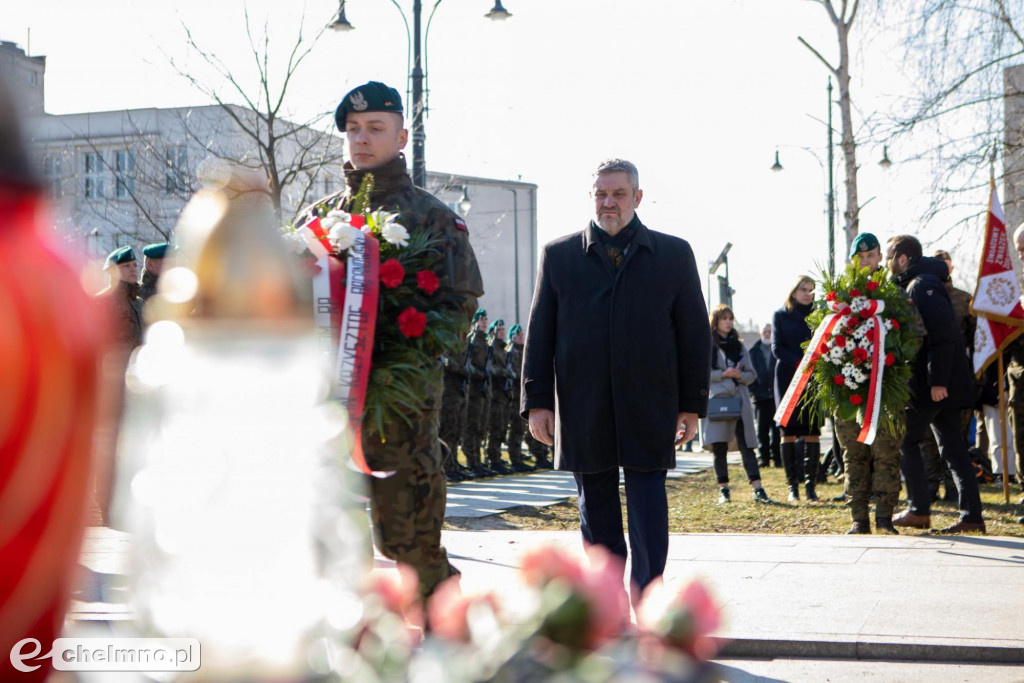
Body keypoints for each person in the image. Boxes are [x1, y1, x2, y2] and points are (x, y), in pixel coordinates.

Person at [301, 81, 484, 600]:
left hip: (399, 406)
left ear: (402, 136)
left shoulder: (434, 218)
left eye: (375, 128)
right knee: (332, 541)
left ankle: (445, 638)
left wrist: (401, 355)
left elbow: (460, 306)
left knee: (409, 541)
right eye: (352, 130)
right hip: (325, 409)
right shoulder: (316, 220)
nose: (361, 139)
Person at [521, 158, 711, 602]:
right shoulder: (560, 256)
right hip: (583, 403)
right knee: (596, 510)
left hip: (650, 403)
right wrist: (537, 402)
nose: (608, 202)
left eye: (619, 194)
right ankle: (606, 605)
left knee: (648, 506)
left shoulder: (674, 255)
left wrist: (692, 405)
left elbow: (693, 335)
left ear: (638, 198)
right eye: (601, 194)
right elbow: (541, 332)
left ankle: (648, 601)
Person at [886, 235, 985, 534]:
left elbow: (942, 336)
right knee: (954, 449)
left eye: (890, 255)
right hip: (941, 381)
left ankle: (918, 510)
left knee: (907, 440)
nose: (888, 262)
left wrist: (937, 382)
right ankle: (971, 517)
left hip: (936, 384)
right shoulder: (924, 281)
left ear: (902, 258)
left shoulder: (923, 285)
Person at [831, 233, 907, 534]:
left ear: (879, 258)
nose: (866, 261)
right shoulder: (839, 297)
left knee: (886, 454)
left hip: (885, 391)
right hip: (848, 391)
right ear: (853, 260)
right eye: (860, 257)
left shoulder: (894, 294)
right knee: (854, 456)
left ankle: (885, 517)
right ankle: (859, 518)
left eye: (872, 255)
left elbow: (912, 338)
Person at [701, 305, 770, 504]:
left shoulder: (739, 346)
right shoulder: (707, 345)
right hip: (718, 400)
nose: (728, 322)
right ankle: (723, 489)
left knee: (746, 444)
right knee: (719, 445)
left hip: (739, 401)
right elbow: (701, 374)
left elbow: (751, 374)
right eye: (724, 318)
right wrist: (723, 374)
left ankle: (758, 488)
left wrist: (739, 374)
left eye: (730, 318)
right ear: (716, 321)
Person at [772, 275, 823, 501]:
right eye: (803, 289)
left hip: (813, 379)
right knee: (789, 431)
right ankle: (792, 486)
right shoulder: (781, 315)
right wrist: (800, 363)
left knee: (811, 430)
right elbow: (776, 348)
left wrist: (813, 365)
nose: (807, 294)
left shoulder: (819, 315)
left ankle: (811, 486)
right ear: (794, 291)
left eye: (811, 290)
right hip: (788, 378)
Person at [463, 308, 494, 477]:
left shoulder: (486, 343)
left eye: (486, 319)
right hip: (473, 390)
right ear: (474, 322)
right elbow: (468, 364)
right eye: (481, 319)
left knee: (481, 427)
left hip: (484, 391)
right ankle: (471, 461)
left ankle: (478, 461)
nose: (484, 322)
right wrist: (480, 373)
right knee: (472, 426)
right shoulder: (471, 341)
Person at [96, 245, 143, 348]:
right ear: (112, 272)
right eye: (126, 266)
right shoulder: (101, 302)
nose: (133, 269)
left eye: (135, 265)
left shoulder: (139, 303)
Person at [484, 318, 515, 474]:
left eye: (503, 329)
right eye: (499, 329)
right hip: (494, 393)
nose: (502, 332)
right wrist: (505, 373)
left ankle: (496, 458)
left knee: (501, 428)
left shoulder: (503, 349)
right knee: (494, 427)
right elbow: (491, 368)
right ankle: (492, 459)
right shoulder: (492, 348)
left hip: (503, 394)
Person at [504, 324, 536, 472]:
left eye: (522, 334)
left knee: (521, 429)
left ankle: (522, 457)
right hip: (512, 396)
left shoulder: (523, 352)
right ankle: (514, 459)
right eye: (518, 335)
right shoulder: (510, 352)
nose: (521, 337)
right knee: (514, 428)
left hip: (523, 396)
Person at [749, 323, 780, 468]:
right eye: (764, 332)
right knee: (761, 430)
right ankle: (764, 458)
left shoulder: (777, 350)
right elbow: (749, 372)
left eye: (770, 331)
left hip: (775, 397)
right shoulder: (753, 352)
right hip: (760, 397)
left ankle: (778, 457)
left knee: (777, 429)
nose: (767, 334)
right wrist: (754, 390)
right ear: (760, 334)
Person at [439, 346, 470, 482]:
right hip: (448, 393)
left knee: (456, 432)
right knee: (447, 431)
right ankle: (446, 467)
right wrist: (460, 369)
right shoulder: (449, 339)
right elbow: (445, 359)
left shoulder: (465, 341)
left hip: (459, 392)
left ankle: (453, 465)